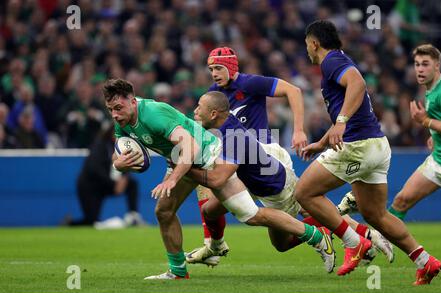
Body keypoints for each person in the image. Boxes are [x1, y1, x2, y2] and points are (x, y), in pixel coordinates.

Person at [104, 78, 335, 280]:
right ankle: (179, 271)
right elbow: (119, 150)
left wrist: (172, 179)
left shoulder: (153, 114)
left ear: (133, 101)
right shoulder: (121, 121)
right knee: (165, 211)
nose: (115, 114)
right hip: (182, 161)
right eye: (110, 109)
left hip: (207, 156)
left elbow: (191, 146)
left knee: (250, 215)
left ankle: (315, 235)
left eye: (118, 107)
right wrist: (118, 163)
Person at [191, 46, 391, 267]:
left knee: (224, 194)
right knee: (281, 241)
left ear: (231, 66)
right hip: (244, 160)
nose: (214, 73)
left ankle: (359, 237)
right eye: (211, 69)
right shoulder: (213, 96)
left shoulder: (248, 83)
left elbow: (293, 91)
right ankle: (362, 235)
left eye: (218, 67)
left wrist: (298, 130)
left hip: (265, 156)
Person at [295, 20, 441, 285]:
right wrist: (322, 141)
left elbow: (358, 83)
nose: (307, 50)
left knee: (304, 193)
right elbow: (354, 107)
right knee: (376, 215)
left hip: (358, 146)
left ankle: (355, 243)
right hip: (377, 146)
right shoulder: (339, 60)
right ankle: (425, 261)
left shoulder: (330, 62)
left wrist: (340, 122)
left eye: (307, 44)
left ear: (314, 43)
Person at [185, 91, 335, 273]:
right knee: (209, 210)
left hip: (275, 190)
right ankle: (215, 248)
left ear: (214, 114)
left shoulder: (234, 138)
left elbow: (217, 180)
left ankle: (320, 233)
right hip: (251, 180)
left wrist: (187, 169)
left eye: (200, 107)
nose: (195, 110)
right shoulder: (224, 123)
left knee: (281, 244)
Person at [387, 44, 441, 220]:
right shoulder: (432, 88)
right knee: (401, 200)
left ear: (437, 65)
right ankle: (381, 244)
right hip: (439, 161)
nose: (420, 69)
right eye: (417, 64)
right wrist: (435, 135)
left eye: (425, 64)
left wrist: (425, 121)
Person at [65, 123, 145, 228]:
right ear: (111, 132)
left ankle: (133, 216)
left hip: (106, 183)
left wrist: (124, 178)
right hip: (90, 186)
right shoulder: (100, 145)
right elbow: (94, 169)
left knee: (132, 183)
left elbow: (126, 164)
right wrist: (114, 183)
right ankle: (70, 224)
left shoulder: (123, 148)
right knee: (91, 221)